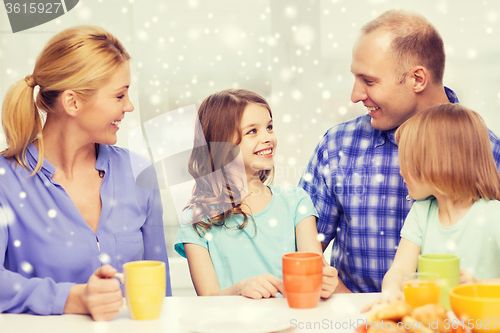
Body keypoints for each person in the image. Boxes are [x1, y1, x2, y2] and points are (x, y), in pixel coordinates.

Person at [299, 9, 500, 293]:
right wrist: (346, 302)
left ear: (418, 79)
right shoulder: (337, 146)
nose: (355, 95)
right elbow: (299, 250)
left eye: (369, 81)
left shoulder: (488, 152)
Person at [0, 26, 171, 321]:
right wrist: (72, 298)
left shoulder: (138, 173)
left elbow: (160, 293)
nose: (129, 106)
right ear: (72, 102)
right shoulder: (6, 181)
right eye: (119, 95)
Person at [174, 89, 338, 298]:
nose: (268, 137)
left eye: (269, 127)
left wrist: (324, 281)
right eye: (253, 131)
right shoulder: (196, 219)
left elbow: (315, 271)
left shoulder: (297, 203)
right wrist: (239, 290)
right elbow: (208, 299)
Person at [375, 103, 500, 306]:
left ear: (436, 164)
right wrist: (391, 290)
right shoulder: (421, 212)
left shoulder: (494, 215)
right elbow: (399, 270)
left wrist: (478, 285)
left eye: (407, 161)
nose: (401, 172)